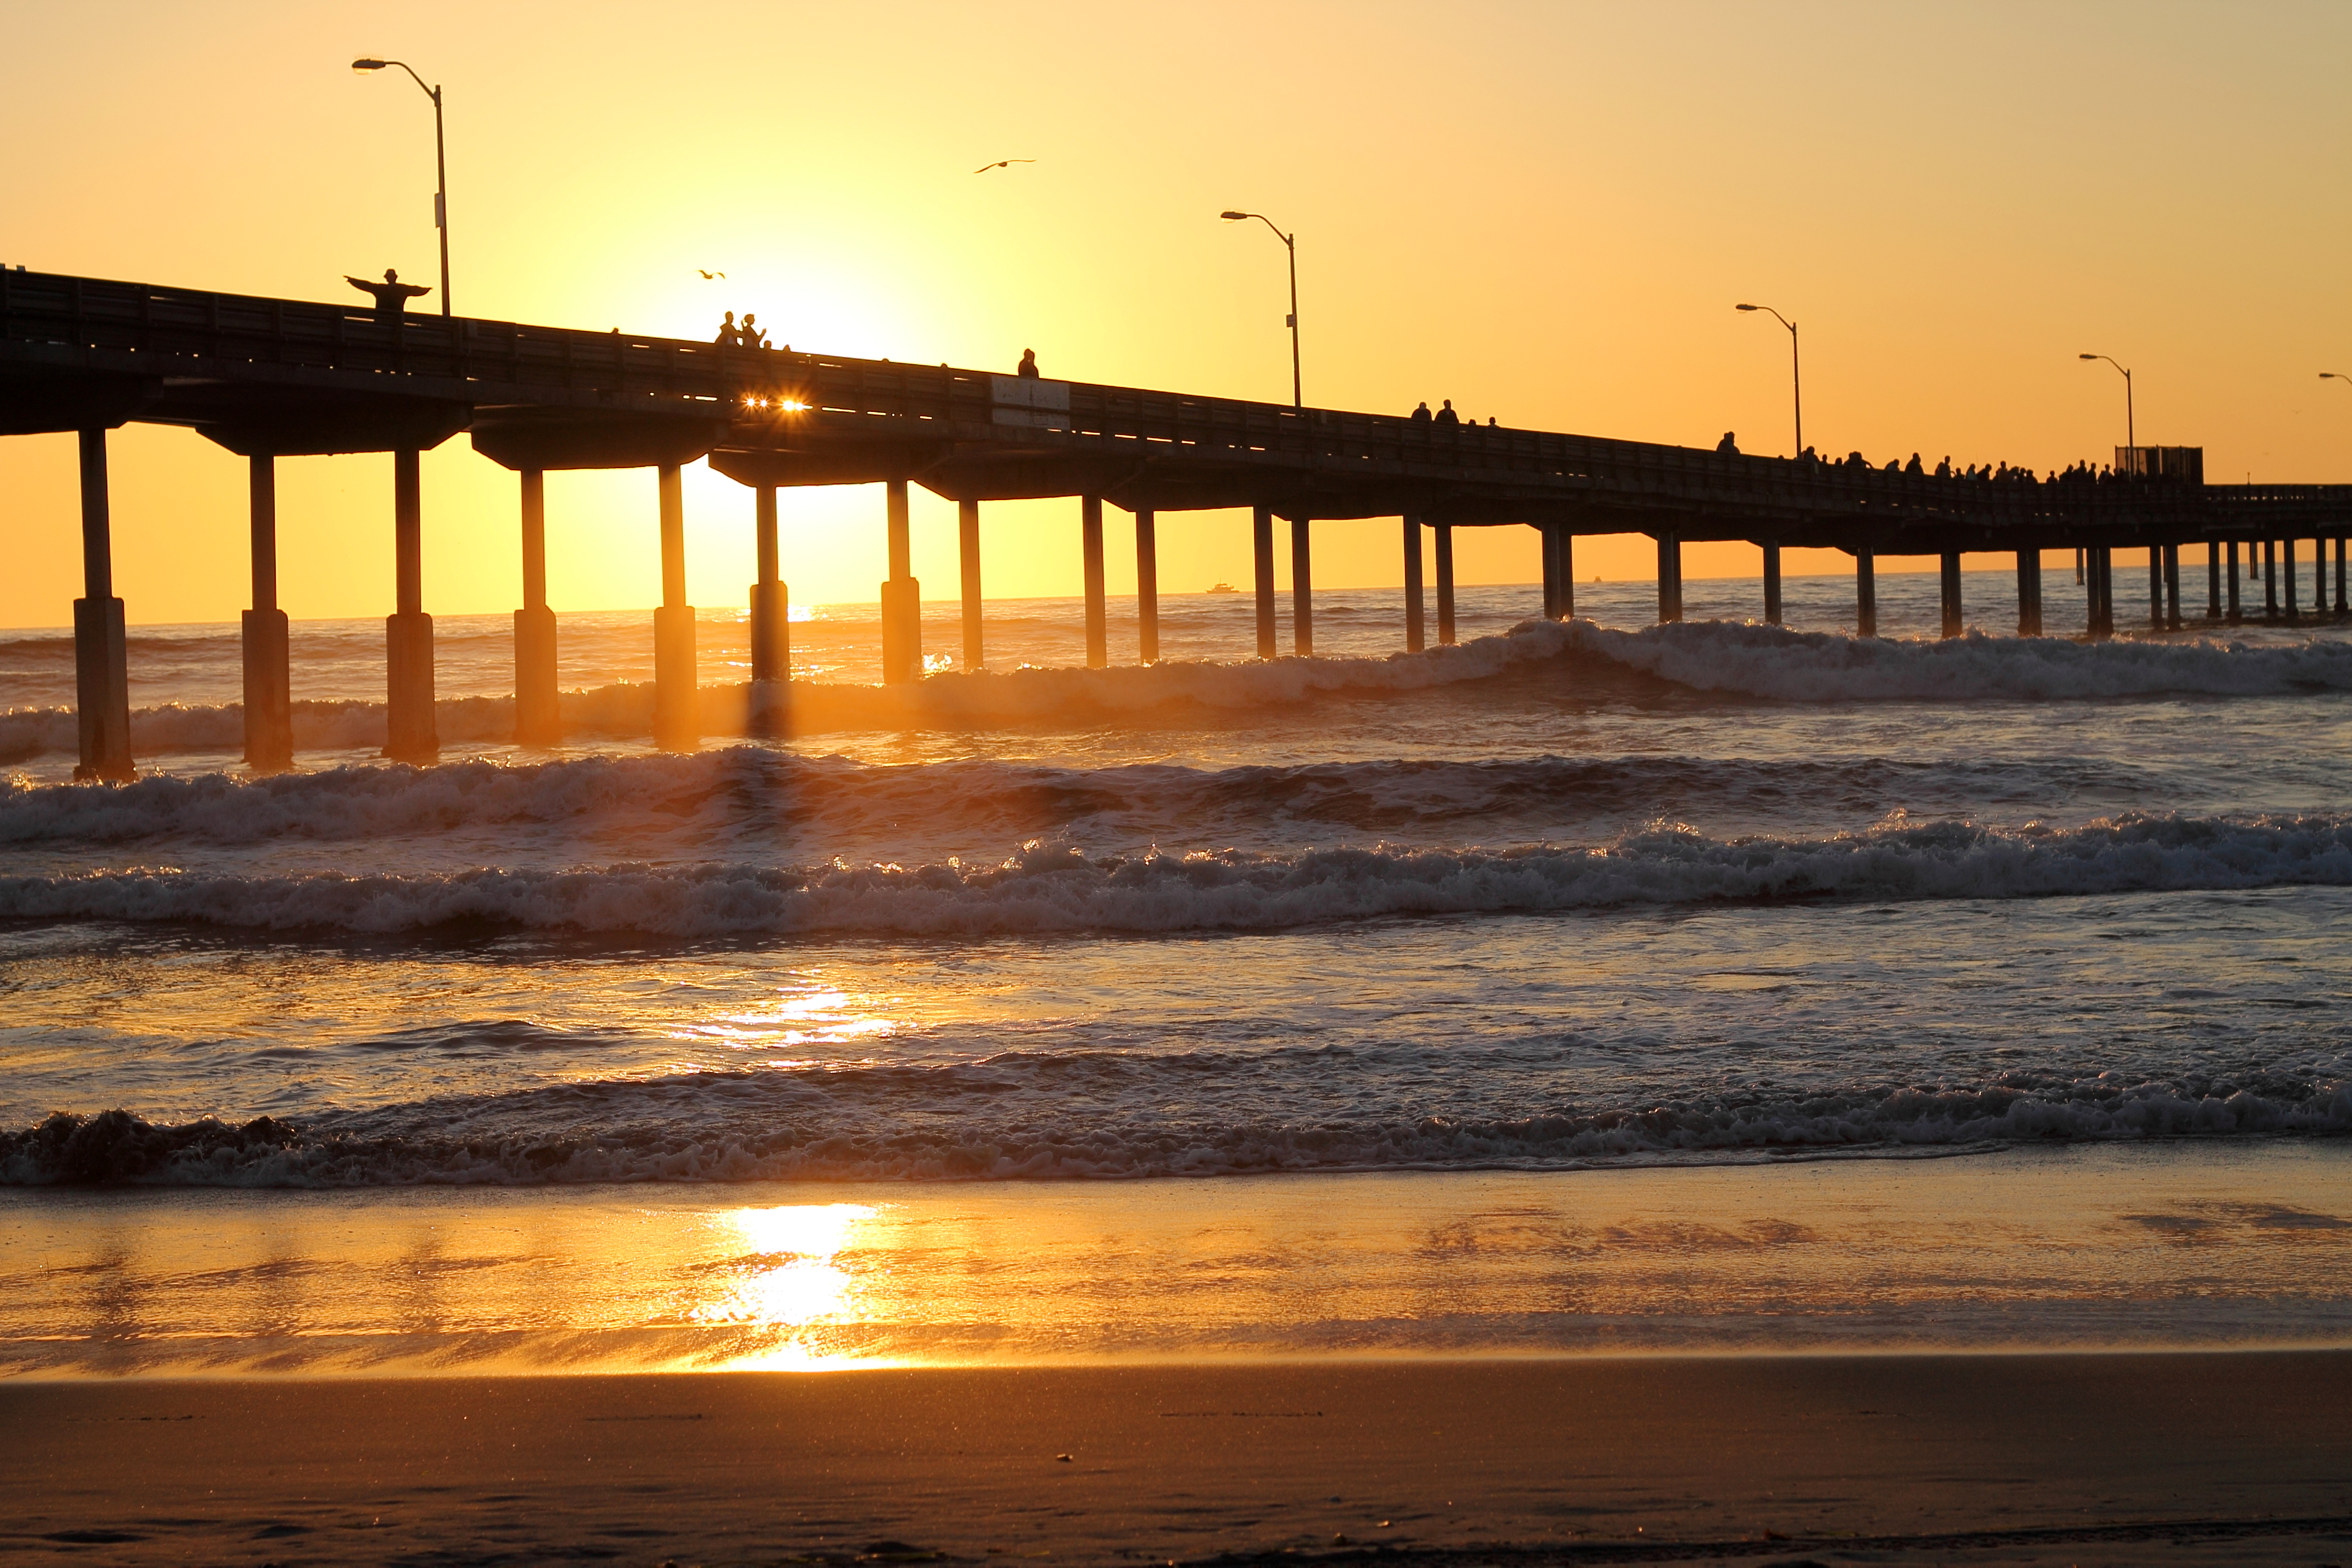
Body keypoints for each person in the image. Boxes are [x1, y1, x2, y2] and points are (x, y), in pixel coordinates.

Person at [345, 267, 431, 325]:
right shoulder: (381, 288)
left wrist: (426, 290)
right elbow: (366, 285)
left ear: (395, 277)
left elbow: (415, 289)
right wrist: (353, 281)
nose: (390, 278)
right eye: (389, 276)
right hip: (383, 321)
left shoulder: (401, 289)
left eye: (391, 276)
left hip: (395, 321)